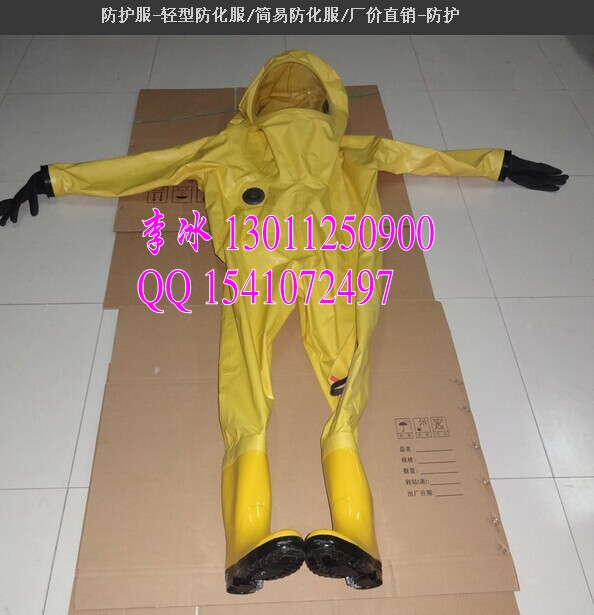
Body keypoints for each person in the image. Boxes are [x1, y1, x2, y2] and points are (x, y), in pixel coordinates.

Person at [0, 49, 568, 594]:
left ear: (256, 103)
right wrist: (498, 163)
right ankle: (359, 537)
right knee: (346, 382)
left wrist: (54, 178)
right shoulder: (350, 147)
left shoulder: (229, 145)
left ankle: (246, 539)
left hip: (259, 262)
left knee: (246, 380)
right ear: (328, 103)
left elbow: (147, 167)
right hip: (336, 262)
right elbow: (425, 158)